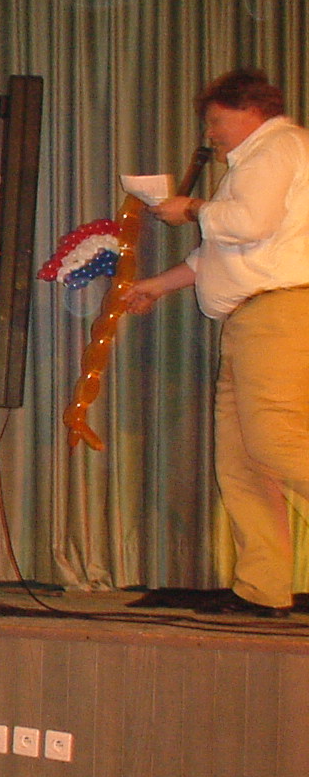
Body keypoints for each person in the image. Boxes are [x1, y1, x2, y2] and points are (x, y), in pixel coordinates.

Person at [124, 68, 309, 616]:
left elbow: (248, 223)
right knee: (242, 463)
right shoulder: (256, 160)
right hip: (253, 320)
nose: (211, 133)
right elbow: (221, 252)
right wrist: (158, 285)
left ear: (251, 110)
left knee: (275, 442)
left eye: (216, 120)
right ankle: (262, 589)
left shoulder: (275, 147)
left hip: (277, 314)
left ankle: (264, 586)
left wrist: (192, 208)